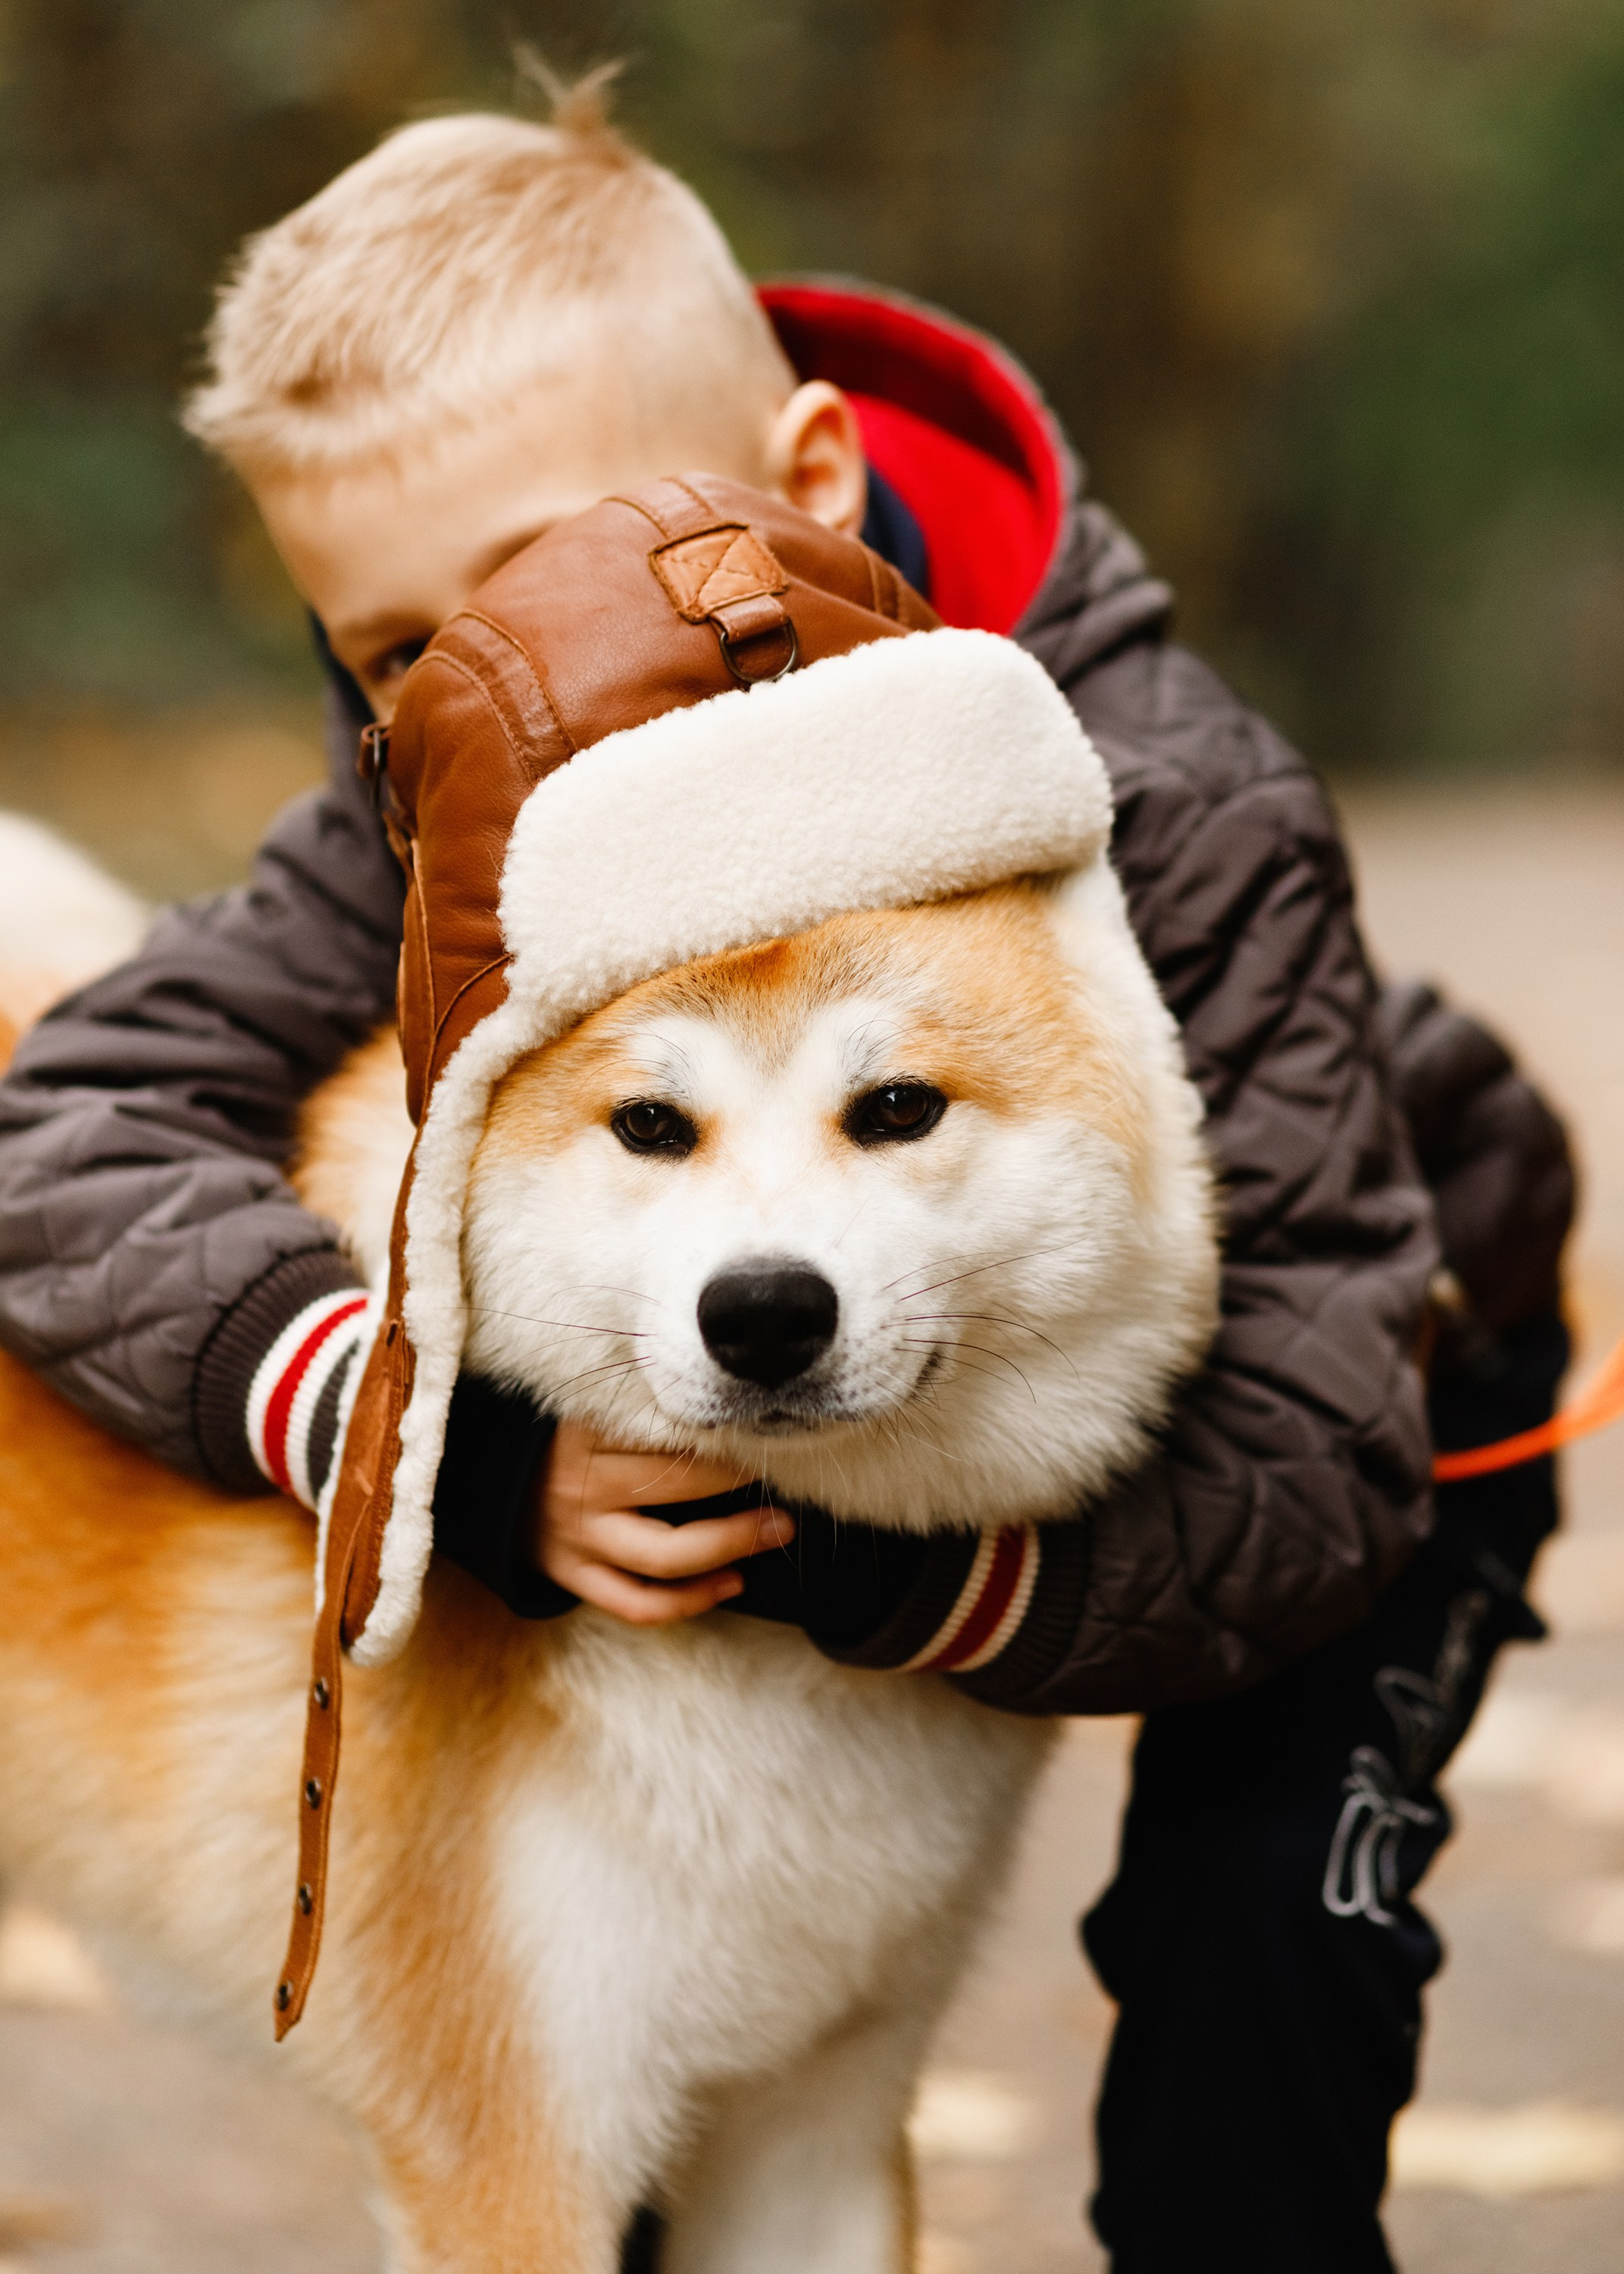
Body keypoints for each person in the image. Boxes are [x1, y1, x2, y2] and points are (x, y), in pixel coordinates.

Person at [0, 79, 1573, 2274]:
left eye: (537, 588)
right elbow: (67, 1123)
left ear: (806, 484)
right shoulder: (488, 770)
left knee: (1253, 1987)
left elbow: (1303, 1471)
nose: (498, 699)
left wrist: (860, 1582)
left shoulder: (1169, 797)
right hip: (906, 1414)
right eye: (391, 657)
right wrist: (424, 1436)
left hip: (1385, 1380)